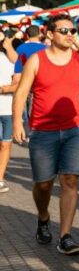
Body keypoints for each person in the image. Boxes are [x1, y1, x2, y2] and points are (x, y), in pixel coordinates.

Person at [11, 14, 79, 255]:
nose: (69, 35)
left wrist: (77, 44)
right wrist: (17, 122)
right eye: (63, 31)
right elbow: (22, 91)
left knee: (70, 180)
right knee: (43, 184)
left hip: (75, 128)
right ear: (50, 34)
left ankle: (65, 235)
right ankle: (44, 217)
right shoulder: (37, 60)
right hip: (43, 130)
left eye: (72, 30)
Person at [0, 30, 16, 193]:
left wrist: (5, 89)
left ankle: (0, 179)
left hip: (7, 109)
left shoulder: (11, 61)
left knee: (5, 144)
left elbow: (20, 83)